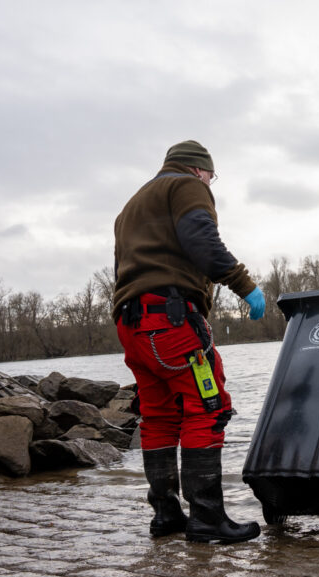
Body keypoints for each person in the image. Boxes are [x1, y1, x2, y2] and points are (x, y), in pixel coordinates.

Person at [112, 140, 266, 543]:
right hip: (171, 320)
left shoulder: (132, 205)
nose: (210, 183)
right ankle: (207, 518)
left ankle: (166, 515)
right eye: (211, 176)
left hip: (132, 325)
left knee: (159, 416)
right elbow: (201, 239)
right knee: (208, 407)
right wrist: (245, 286)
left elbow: (122, 269)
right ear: (200, 169)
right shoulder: (187, 185)